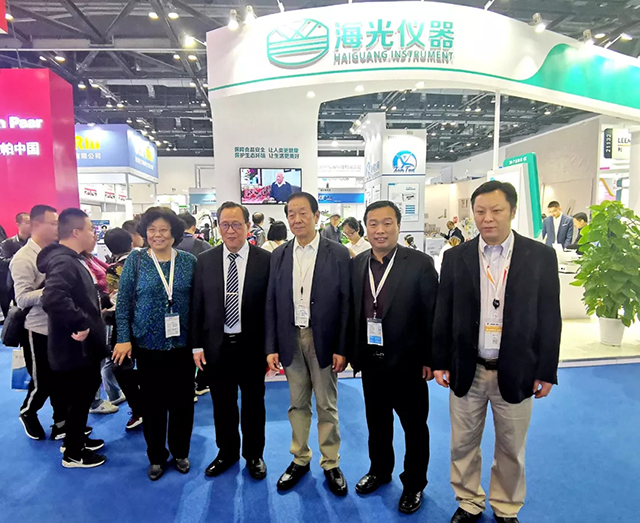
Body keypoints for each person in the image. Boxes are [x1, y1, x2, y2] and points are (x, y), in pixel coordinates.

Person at [432, 180, 561, 523]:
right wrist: (440, 360)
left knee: (511, 446)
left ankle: (506, 506)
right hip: (468, 367)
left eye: (496, 210)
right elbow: (443, 312)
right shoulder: (455, 257)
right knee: (462, 443)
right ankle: (468, 501)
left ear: (513, 211)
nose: (487, 218)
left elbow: (550, 316)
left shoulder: (540, 256)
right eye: (480, 211)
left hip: (517, 368)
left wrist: (546, 370)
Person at [349, 201, 439, 514]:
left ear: (399, 226)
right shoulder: (358, 263)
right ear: (366, 228)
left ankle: (414, 483)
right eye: (373, 224)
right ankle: (379, 470)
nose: (380, 230)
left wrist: (430, 357)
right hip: (371, 360)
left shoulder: (420, 263)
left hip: (408, 361)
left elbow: (432, 313)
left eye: (387, 223)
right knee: (377, 422)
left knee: (414, 427)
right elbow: (353, 311)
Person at [266, 192, 350, 496]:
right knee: (297, 403)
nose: (297, 219)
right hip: (290, 337)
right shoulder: (279, 254)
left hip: (323, 338)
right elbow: (271, 302)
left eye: (303, 213)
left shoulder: (337, 253)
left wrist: (342, 347)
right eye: (291, 214)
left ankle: (331, 462)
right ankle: (300, 458)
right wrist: (271, 346)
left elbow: (346, 303)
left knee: (327, 404)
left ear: (316, 216)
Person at [113, 207, 197, 481]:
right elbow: (123, 303)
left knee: (183, 403)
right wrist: (123, 338)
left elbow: (198, 304)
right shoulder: (136, 261)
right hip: (147, 346)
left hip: (182, 345)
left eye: (163, 230)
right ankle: (156, 456)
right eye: (152, 230)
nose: (157, 235)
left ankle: (181, 452)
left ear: (174, 233)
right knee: (153, 405)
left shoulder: (188, 262)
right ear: (145, 233)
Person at [191, 202, 271, 480]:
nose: (231, 230)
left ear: (248, 226)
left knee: (254, 403)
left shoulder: (265, 260)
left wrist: (271, 347)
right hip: (217, 346)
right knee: (222, 404)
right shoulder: (206, 260)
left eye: (237, 224)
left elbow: (271, 308)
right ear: (218, 227)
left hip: (252, 346)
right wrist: (197, 345)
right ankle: (226, 452)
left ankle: (254, 454)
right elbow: (197, 305)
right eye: (225, 224)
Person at [38, 208, 109, 469]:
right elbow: (53, 297)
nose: (94, 234)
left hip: (80, 349)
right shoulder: (64, 262)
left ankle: (75, 440)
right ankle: (74, 453)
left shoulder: (73, 259)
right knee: (79, 398)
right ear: (76, 232)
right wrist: (80, 322)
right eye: (91, 229)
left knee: (80, 398)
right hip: (75, 349)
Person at [11, 205, 66, 440]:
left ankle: (61, 423)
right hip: (37, 328)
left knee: (62, 376)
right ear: (36, 225)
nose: (57, 227)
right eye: (52, 223)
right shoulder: (23, 258)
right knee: (43, 380)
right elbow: (22, 298)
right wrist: (53, 291)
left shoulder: (57, 251)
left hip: (61, 326)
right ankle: (28, 411)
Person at [103, 227, 143, 430]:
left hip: (124, 323)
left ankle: (139, 408)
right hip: (147, 322)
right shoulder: (144, 260)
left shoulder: (113, 269)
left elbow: (115, 299)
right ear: (131, 242)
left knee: (120, 366)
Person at [82, 240, 124, 415]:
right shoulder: (74, 262)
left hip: (100, 313)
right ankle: (95, 401)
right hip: (90, 317)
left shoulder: (90, 258)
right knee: (102, 360)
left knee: (104, 357)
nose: (94, 236)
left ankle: (111, 393)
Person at [0, 212, 31, 317]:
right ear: (18, 224)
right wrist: (20, 259)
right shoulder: (7, 244)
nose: (30, 225)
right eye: (27, 222)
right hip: (12, 283)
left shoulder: (35, 243)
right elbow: (3, 262)